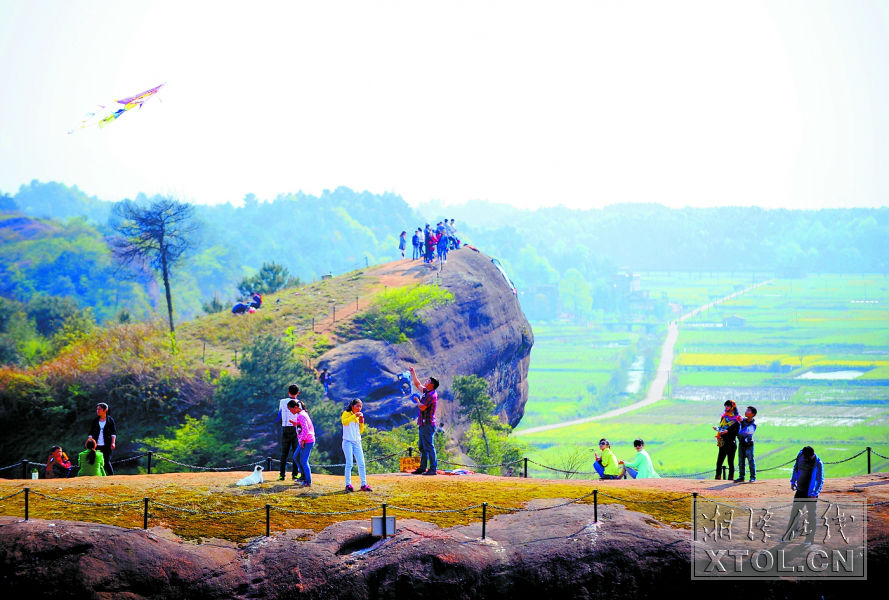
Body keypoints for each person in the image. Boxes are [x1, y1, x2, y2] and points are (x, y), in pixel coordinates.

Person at [781, 446, 824, 543]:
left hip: (811, 494)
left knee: (811, 516)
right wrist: (793, 481)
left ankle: (809, 539)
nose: (804, 458)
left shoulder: (818, 463)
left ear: (811, 456)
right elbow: (796, 468)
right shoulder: (800, 456)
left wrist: (815, 493)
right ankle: (789, 536)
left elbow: (820, 480)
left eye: (806, 457)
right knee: (794, 513)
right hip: (800, 490)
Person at [408, 366, 439, 475]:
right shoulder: (427, 391)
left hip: (428, 424)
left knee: (429, 446)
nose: (425, 382)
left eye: (428, 381)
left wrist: (416, 400)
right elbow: (417, 384)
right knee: (422, 446)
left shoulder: (432, 395)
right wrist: (413, 373)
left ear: (432, 384)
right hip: (422, 423)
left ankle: (433, 469)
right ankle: (422, 467)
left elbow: (422, 407)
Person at [341, 399, 372, 492]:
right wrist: (354, 416)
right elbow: (344, 422)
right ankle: (348, 484)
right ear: (352, 406)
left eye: (360, 406)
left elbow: (361, 431)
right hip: (347, 442)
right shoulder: (346, 413)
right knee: (349, 463)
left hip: (357, 442)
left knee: (361, 463)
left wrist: (362, 422)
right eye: (357, 406)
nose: (359, 408)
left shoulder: (359, 416)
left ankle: (364, 484)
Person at [276, 385, 301, 481]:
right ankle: (294, 474)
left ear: (288, 392)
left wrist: (277, 422)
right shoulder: (299, 403)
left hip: (285, 428)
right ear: (298, 393)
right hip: (296, 429)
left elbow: (279, 415)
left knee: (284, 453)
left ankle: (282, 475)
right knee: (295, 453)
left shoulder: (282, 401)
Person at [289, 400, 315, 487]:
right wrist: (295, 424)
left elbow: (306, 429)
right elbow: (302, 426)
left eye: (290, 409)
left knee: (304, 461)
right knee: (296, 457)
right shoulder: (301, 414)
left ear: (296, 407)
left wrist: (303, 440)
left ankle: (308, 481)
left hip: (307, 441)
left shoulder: (301, 415)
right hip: (303, 440)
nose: (290, 411)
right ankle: (303, 477)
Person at [713, 400, 740, 480]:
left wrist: (728, 431)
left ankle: (730, 478)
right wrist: (717, 429)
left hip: (731, 442)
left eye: (728, 406)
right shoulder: (724, 416)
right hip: (723, 441)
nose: (726, 407)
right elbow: (721, 427)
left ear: (732, 407)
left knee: (730, 462)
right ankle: (717, 478)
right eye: (725, 406)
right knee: (719, 462)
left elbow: (737, 431)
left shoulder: (737, 418)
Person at [87, 403, 116, 475]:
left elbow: (113, 433)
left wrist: (113, 443)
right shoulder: (95, 420)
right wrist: (89, 443)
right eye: (97, 409)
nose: (97, 411)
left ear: (105, 410)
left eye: (99, 409)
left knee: (106, 461)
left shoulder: (110, 420)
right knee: (96, 460)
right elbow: (91, 433)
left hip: (107, 444)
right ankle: (98, 475)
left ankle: (111, 476)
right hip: (96, 445)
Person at [735, 405, 757, 483]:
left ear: (753, 414)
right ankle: (741, 477)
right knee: (741, 461)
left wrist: (740, 422)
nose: (746, 412)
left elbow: (747, 431)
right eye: (746, 410)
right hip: (741, 443)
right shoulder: (742, 421)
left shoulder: (754, 424)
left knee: (750, 460)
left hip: (749, 444)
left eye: (748, 411)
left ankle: (753, 477)